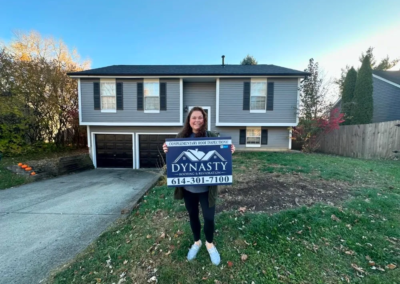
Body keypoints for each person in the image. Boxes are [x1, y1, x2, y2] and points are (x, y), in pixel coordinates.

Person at [162, 106, 235, 266]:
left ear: (204, 120)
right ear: (189, 120)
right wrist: (167, 150)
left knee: (209, 218)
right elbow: (173, 161)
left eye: (200, 117)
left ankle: (209, 243)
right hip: (188, 190)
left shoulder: (212, 136)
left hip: (206, 190)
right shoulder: (181, 137)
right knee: (193, 215)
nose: (197, 120)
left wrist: (229, 150)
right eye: (193, 117)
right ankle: (197, 242)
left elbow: (222, 153)